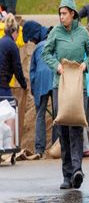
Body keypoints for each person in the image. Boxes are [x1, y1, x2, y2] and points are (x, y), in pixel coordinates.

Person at [42, 0, 89, 189]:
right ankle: (66, 174)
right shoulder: (55, 32)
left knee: (76, 128)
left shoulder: (82, 33)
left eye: (64, 13)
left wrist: (85, 65)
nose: (61, 17)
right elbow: (45, 53)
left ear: (72, 14)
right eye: (60, 13)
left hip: (78, 86)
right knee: (63, 128)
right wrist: (56, 65)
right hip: (60, 85)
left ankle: (77, 171)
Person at [23, 20, 57, 156]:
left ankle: (39, 149)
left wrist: (34, 89)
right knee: (57, 115)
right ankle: (56, 146)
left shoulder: (38, 48)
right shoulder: (54, 43)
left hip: (41, 83)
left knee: (40, 115)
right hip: (55, 80)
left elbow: (32, 72)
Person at [0, 13, 27, 97]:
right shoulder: (12, 45)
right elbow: (17, 68)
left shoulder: (1, 41)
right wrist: (24, 85)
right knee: (9, 109)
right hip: (3, 85)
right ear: (15, 32)